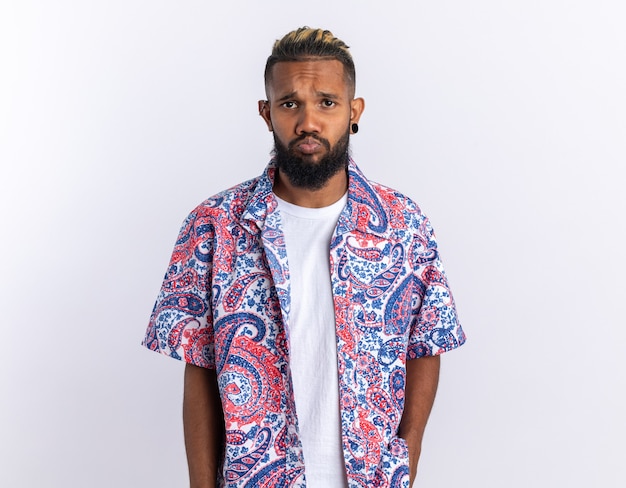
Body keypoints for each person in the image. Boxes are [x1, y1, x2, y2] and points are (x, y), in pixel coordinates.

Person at [142, 26, 466, 488]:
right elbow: (199, 368)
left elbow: (426, 345)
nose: (308, 121)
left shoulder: (404, 225)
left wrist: (407, 457)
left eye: (327, 103)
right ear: (266, 112)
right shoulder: (213, 226)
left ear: (354, 112)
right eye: (290, 103)